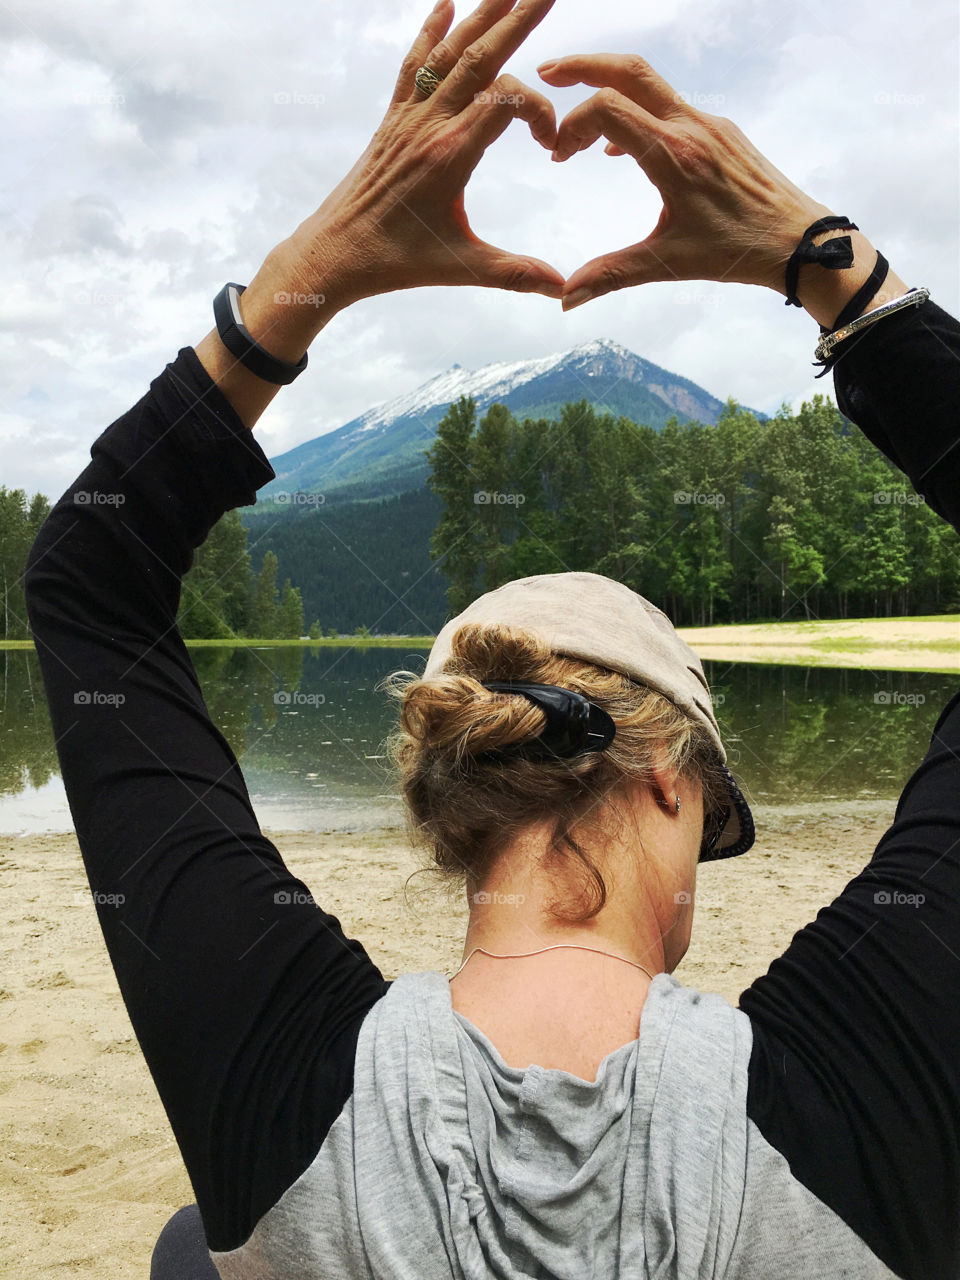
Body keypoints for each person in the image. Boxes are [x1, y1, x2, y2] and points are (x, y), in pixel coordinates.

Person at [22, 0, 959, 1276]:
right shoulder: (855, 1093)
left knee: (196, 1249)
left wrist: (319, 269)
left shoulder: (283, 1071)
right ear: (672, 781)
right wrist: (832, 267)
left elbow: (89, 580)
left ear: (451, 797)